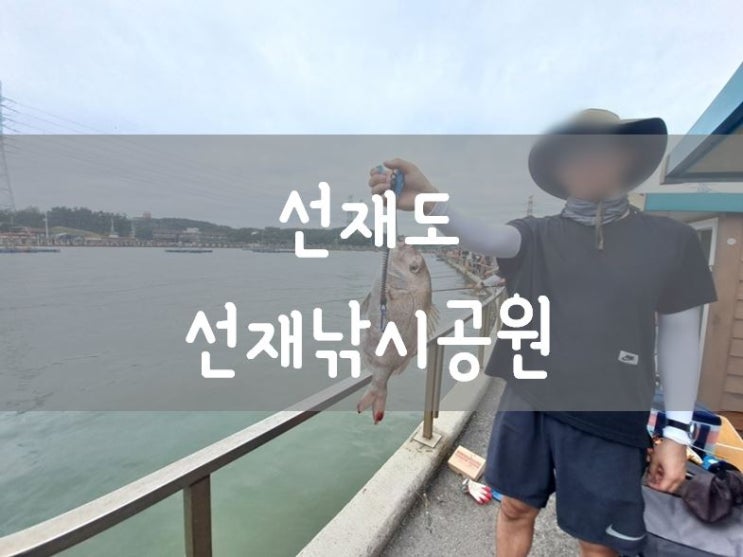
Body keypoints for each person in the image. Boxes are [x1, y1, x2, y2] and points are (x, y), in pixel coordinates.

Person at [368, 109, 717, 557]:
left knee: (599, 541)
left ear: (628, 159)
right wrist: (428, 199)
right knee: (514, 508)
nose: (588, 161)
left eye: (603, 149)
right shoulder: (534, 235)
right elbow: (483, 237)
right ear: (560, 169)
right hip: (527, 400)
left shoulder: (672, 241)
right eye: (575, 153)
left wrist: (678, 434)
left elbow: (680, 335)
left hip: (611, 413)